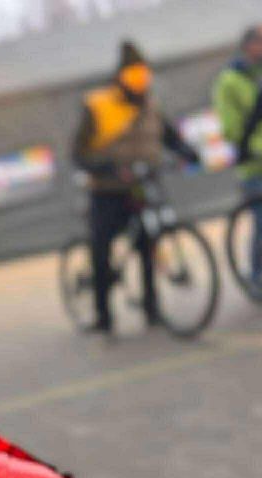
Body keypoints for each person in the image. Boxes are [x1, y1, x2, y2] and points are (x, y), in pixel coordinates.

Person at [72, 40, 200, 334]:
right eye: (133, 76)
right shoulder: (99, 105)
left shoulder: (151, 105)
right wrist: (106, 168)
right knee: (101, 249)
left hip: (141, 187)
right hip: (107, 190)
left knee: (147, 244)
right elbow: (79, 153)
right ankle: (103, 315)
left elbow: (170, 137)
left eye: (144, 75)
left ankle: (152, 308)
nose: (140, 82)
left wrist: (187, 151)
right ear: (120, 77)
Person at [214, 26, 262, 284]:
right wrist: (255, 149)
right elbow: (231, 129)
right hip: (254, 167)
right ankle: (257, 276)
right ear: (249, 46)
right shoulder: (229, 81)